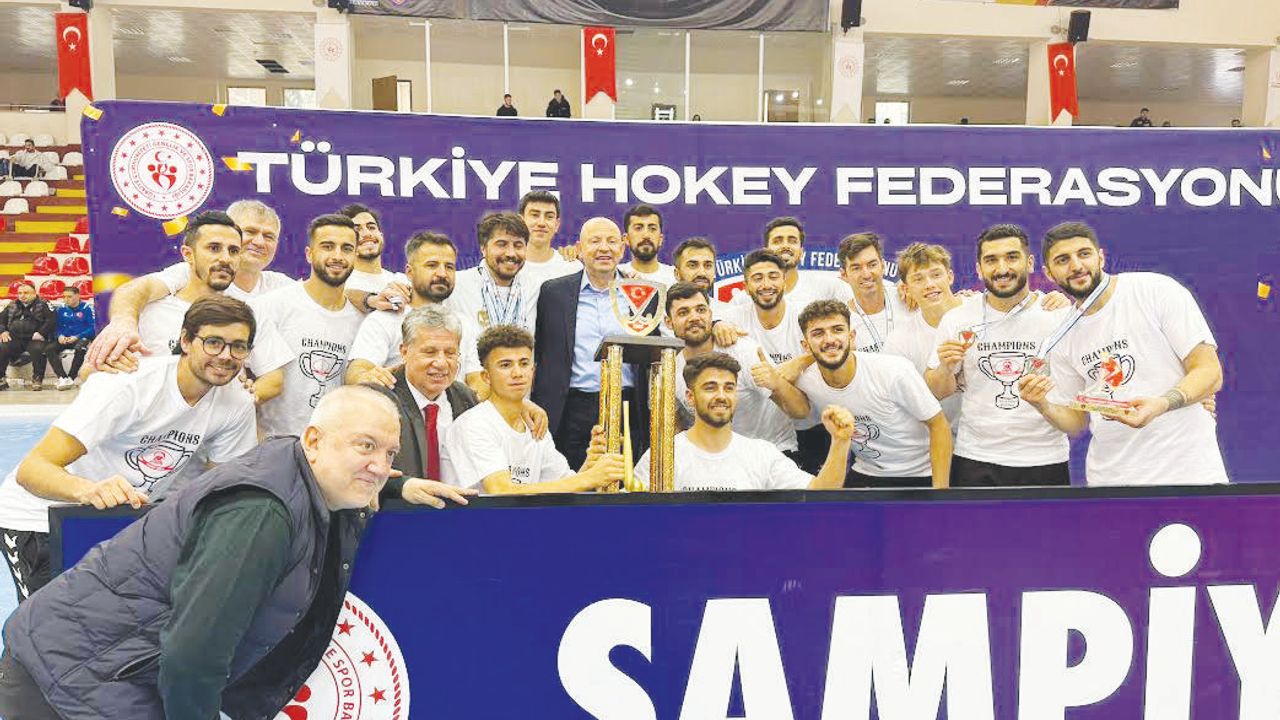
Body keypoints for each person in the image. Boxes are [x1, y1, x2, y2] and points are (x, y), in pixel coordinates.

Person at [0, 385, 414, 719]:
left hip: (108, 669)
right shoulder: (259, 515)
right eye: (365, 446)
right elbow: (194, 654)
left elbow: (350, 469)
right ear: (313, 440)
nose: (380, 465)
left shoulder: (297, 468)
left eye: (389, 453)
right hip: (69, 676)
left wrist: (396, 485)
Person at [0, 295, 259, 604]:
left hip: (120, 519)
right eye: (214, 343)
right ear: (186, 341)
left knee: (113, 619)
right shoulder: (128, 385)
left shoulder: (237, 402)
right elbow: (32, 470)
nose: (226, 356)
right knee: (46, 625)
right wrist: (89, 490)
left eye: (238, 346)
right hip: (37, 517)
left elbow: (225, 487)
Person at [1017, 221, 1226, 486]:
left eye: (1084, 254)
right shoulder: (1061, 333)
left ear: (1101, 257)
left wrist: (1162, 404)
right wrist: (1043, 405)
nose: (1076, 266)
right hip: (1110, 481)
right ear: (1049, 273)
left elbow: (1210, 371)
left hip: (1189, 473)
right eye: (1063, 260)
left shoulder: (1155, 291)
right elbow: (1077, 422)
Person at [924, 225, 1071, 487]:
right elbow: (936, 391)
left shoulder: (1058, 315)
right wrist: (945, 368)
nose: (1002, 268)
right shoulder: (958, 318)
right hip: (975, 457)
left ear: (1029, 262)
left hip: (1045, 457)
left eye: (1012, 257)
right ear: (979, 268)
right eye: (991, 260)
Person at [86, 199, 296, 368]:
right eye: (250, 232)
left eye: (269, 236)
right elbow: (137, 289)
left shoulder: (282, 287)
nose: (259, 242)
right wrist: (123, 322)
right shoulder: (189, 274)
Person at [782, 300, 952, 488]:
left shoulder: (894, 371)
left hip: (920, 473)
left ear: (851, 336)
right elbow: (781, 385)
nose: (829, 339)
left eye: (837, 330)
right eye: (818, 333)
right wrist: (796, 364)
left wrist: (940, 492)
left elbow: (938, 424)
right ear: (806, 346)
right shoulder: (807, 380)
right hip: (866, 471)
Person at [633, 352, 855, 491]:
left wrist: (840, 441)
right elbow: (635, 517)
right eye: (710, 388)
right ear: (690, 397)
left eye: (729, 388)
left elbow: (821, 492)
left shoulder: (760, 455)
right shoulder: (662, 457)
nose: (721, 395)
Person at [533, 217, 655, 469]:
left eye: (611, 241)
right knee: (571, 482)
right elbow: (541, 350)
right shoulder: (553, 293)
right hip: (571, 408)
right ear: (579, 249)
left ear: (622, 248)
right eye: (595, 241)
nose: (604, 248)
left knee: (625, 482)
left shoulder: (642, 293)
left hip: (628, 408)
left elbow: (652, 352)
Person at [133, 211, 291, 403]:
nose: (225, 259)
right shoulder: (150, 311)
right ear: (188, 254)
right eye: (214, 248)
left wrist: (239, 403)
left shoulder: (250, 314)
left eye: (233, 251)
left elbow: (273, 380)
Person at [445, 325, 625, 493]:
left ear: (533, 370)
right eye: (505, 365)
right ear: (486, 376)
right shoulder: (474, 424)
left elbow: (565, 485)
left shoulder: (535, 425)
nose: (517, 373)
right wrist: (590, 478)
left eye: (524, 363)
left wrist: (591, 464)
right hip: (472, 518)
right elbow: (501, 491)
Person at [250, 214, 364, 438]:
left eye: (347, 248)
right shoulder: (268, 306)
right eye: (327, 247)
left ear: (355, 256)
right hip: (274, 446)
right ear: (309, 254)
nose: (337, 256)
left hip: (334, 446)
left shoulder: (364, 321)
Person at [666, 282, 805, 455]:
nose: (694, 317)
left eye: (701, 310)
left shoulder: (743, 350)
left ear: (710, 315)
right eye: (683, 312)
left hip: (773, 452)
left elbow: (801, 411)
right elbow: (674, 433)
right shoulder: (670, 371)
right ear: (669, 322)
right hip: (717, 459)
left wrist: (777, 383)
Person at [379, 304, 485, 507]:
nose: (441, 363)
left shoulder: (466, 400)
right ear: (404, 352)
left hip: (457, 515)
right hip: (395, 515)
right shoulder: (377, 400)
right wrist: (402, 486)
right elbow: (352, 468)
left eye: (450, 353)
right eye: (430, 352)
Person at [345, 231, 480, 389]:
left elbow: (478, 379)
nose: (442, 274)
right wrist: (370, 377)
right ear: (409, 272)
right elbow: (356, 373)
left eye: (449, 267)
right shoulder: (385, 320)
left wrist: (464, 401)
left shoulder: (465, 324)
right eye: (432, 265)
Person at [883, 243, 971, 426]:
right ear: (906, 288)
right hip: (935, 437)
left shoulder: (982, 311)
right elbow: (898, 403)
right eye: (918, 279)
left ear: (950, 277)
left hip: (988, 436)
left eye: (936, 275)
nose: (929, 284)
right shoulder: (898, 342)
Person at [447, 212, 541, 332]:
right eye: (502, 245)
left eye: (518, 245)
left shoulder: (536, 289)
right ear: (483, 248)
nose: (511, 253)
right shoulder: (456, 285)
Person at [837, 232, 909, 354]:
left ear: (883, 266)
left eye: (872, 265)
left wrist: (914, 289)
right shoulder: (841, 322)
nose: (866, 274)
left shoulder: (908, 298)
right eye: (856, 268)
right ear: (844, 275)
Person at [340, 203, 410, 307]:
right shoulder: (338, 283)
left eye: (371, 227)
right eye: (356, 230)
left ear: (381, 235)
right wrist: (371, 300)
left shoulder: (401, 281)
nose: (367, 234)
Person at [517, 190, 578, 287]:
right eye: (535, 215)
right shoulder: (506, 267)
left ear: (557, 224)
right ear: (521, 221)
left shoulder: (573, 268)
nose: (541, 223)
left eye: (549, 217)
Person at [0, 281, 54, 391]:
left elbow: (51, 320)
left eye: (26, 293)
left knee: (38, 349)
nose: (22, 295)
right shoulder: (12, 304)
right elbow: (1, 320)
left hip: (35, 338)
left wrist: (41, 333)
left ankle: (37, 378)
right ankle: (1, 378)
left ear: (34, 293)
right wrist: (3, 331)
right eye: (20, 293)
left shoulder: (44, 304)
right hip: (15, 338)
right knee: (2, 347)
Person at [44, 285, 95, 389]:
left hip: (80, 338)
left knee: (80, 349)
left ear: (78, 296)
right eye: (65, 297)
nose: (66, 299)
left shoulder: (87, 308)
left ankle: (71, 377)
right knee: (49, 349)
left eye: (69, 297)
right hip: (65, 338)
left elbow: (92, 328)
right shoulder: (61, 309)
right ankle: (63, 378)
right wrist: (59, 335)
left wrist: (77, 336)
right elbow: (57, 326)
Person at [618, 204, 676, 285]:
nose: (646, 235)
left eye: (652, 229)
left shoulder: (676, 277)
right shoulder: (616, 276)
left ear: (660, 239)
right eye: (638, 228)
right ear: (626, 239)